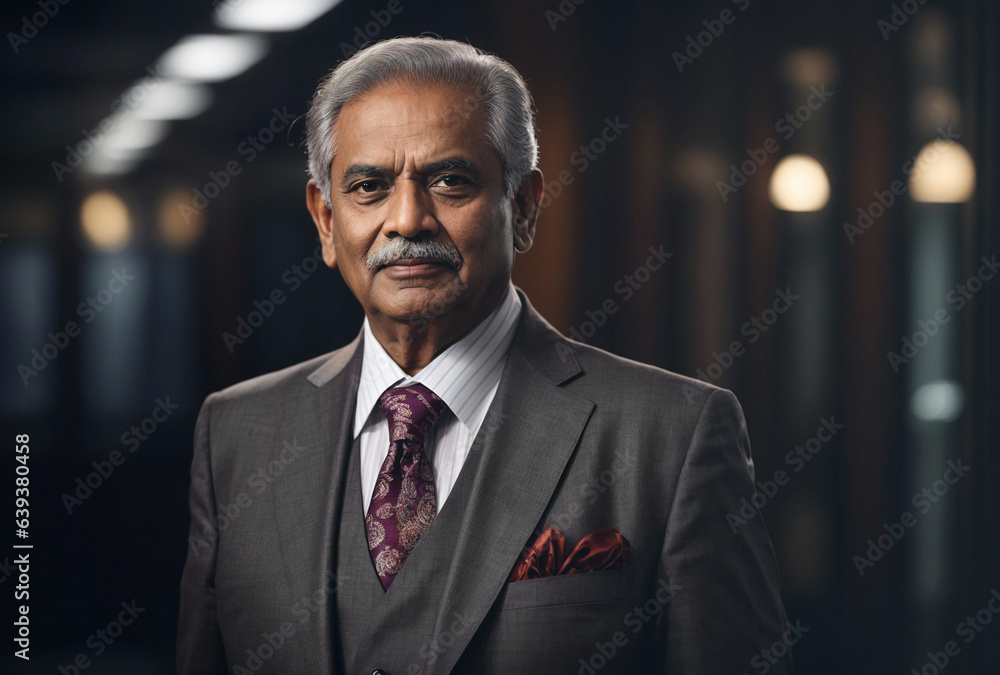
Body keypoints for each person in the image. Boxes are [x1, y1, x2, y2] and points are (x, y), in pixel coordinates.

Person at [177, 36, 790, 674]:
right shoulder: (236, 434)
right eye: (368, 186)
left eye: (450, 181)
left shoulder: (673, 436)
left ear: (523, 207)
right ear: (326, 222)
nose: (407, 220)